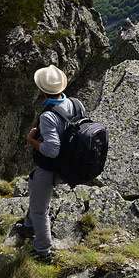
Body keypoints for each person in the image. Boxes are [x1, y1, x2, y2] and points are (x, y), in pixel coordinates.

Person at [15, 64, 86, 263]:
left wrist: (32, 141)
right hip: (71, 164)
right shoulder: (75, 103)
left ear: (41, 89)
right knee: (35, 185)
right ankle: (28, 226)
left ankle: (43, 252)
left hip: (52, 167)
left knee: (40, 210)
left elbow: (52, 151)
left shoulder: (47, 115)